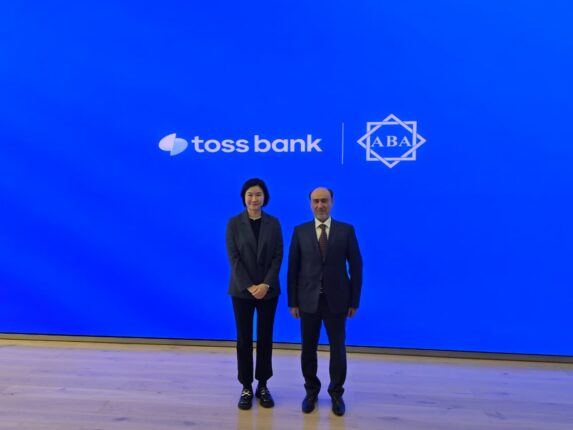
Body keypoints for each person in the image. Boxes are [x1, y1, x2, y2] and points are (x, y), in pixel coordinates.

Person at [287, 187, 363, 417]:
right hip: (307, 301)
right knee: (308, 349)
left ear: (332, 202)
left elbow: (356, 267)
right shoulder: (299, 231)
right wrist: (293, 302)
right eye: (316, 201)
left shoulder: (346, 230)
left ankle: (336, 393)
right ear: (310, 203)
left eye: (324, 201)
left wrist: (354, 301)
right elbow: (293, 270)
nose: (320, 205)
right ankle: (311, 392)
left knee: (338, 349)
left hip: (337, 302)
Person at [226, 178, 283, 410]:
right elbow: (234, 258)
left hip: (268, 291)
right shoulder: (233, 223)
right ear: (244, 197)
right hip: (242, 291)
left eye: (258, 194)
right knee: (244, 339)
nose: (254, 199)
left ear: (265, 197)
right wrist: (250, 286)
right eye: (250, 194)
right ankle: (246, 386)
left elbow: (278, 256)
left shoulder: (274, 223)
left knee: (265, 338)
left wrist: (266, 284)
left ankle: (263, 385)